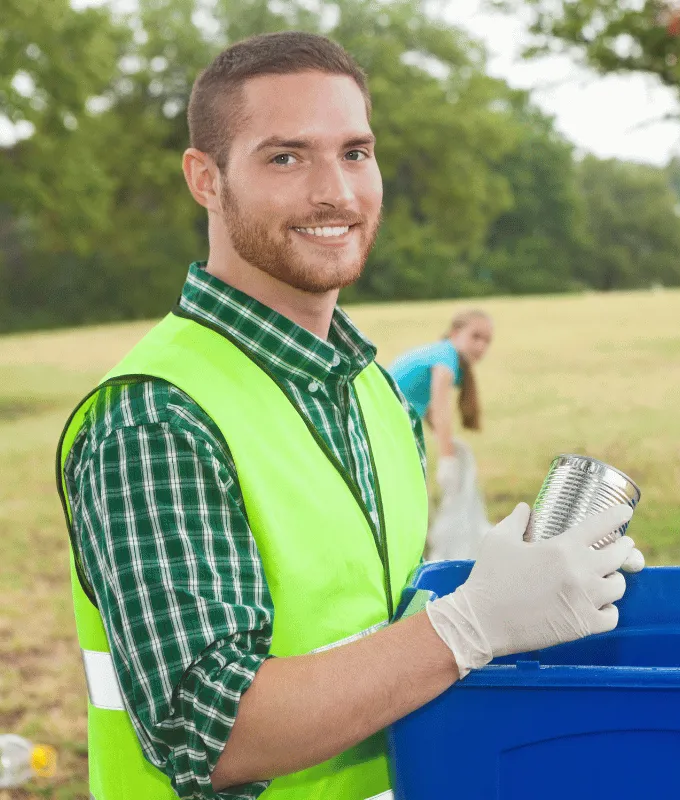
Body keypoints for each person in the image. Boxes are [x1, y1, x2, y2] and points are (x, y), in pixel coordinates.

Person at [56, 32, 642, 800]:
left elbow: (365, 622)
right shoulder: (154, 415)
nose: (335, 191)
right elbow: (217, 733)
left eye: (356, 153)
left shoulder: (371, 388)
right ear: (205, 178)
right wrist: (470, 625)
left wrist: (523, 592)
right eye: (286, 158)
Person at [389, 310, 492, 493]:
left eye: (486, 341)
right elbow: (439, 409)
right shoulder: (445, 357)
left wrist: (446, 440)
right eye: (475, 336)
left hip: (394, 425)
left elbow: (426, 406)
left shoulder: (448, 357)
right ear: (454, 333)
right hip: (384, 423)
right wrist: (447, 458)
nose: (480, 346)